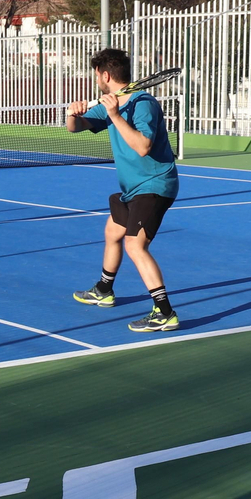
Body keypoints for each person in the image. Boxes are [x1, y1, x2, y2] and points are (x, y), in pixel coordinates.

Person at [65, 48, 181, 332]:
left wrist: (115, 116)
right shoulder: (112, 102)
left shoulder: (143, 103)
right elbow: (75, 128)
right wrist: (71, 113)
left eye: (96, 76)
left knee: (134, 244)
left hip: (154, 184)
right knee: (113, 232)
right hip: (131, 188)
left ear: (105, 75)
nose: (96, 81)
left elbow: (143, 147)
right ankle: (104, 290)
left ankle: (164, 312)